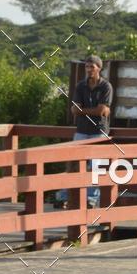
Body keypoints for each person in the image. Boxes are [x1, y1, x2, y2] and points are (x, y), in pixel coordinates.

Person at [57, 55, 113, 209]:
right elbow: (75, 109)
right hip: (82, 130)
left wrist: (85, 111)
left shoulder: (106, 86)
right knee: (73, 165)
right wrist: (93, 111)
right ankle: (65, 196)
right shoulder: (80, 86)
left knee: (96, 167)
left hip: (99, 131)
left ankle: (91, 199)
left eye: (92, 67)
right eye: (87, 67)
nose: (89, 70)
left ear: (99, 68)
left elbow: (102, 111)